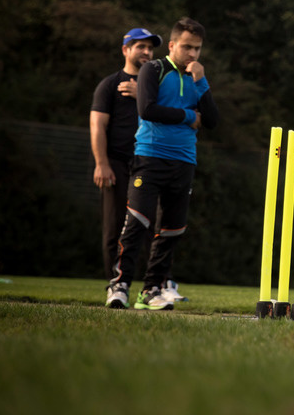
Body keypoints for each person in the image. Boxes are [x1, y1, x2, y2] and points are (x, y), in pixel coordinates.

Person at [106, 17, 219, 310]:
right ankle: (119, 286)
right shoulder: (153, 70)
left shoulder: (197, 79)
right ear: (172, 46)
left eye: (197, 49)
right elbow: (147, 109)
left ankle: (151, 291)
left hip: (184, 161)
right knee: (138, 222)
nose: (192, 55)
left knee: (171, 230)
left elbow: (214, 121)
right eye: (187, 47)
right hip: (150, 156)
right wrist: (188, 117)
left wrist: (202, 81)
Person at [92, 27, 185, 306]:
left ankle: (158, 284)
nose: (146, 52)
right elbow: (97, 124)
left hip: (151, 162)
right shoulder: (110, 84)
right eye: (139, 47)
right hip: (118, 164)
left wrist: (141, 93)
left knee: (156, 227)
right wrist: (101, 163)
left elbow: (173, 109)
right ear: (126, 50)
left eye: (149, 48)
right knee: (117, 227)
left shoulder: (157, 81)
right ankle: (117, 286)